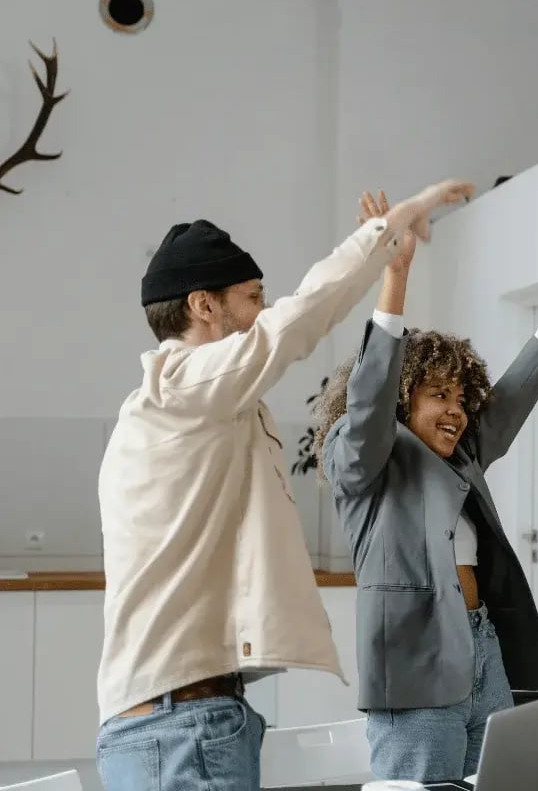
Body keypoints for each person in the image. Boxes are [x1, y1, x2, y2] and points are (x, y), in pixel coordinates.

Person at [94, 179, 473, 791]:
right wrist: (390, 229)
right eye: (252, 296)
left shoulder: (186, 408)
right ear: (204, 306)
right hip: (181, 729)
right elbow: (298, 321)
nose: (264, 310)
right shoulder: (186, 387)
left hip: (179, 721)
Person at [315, 191, 538, 783]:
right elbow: (369, 402)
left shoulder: (459, 456)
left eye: (462, 398)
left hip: (483, 649)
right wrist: (396, 276)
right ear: (403, 398)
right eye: (439, 395)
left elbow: (508, 404)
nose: (457, 411)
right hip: (414, 672)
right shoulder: (360, 459)